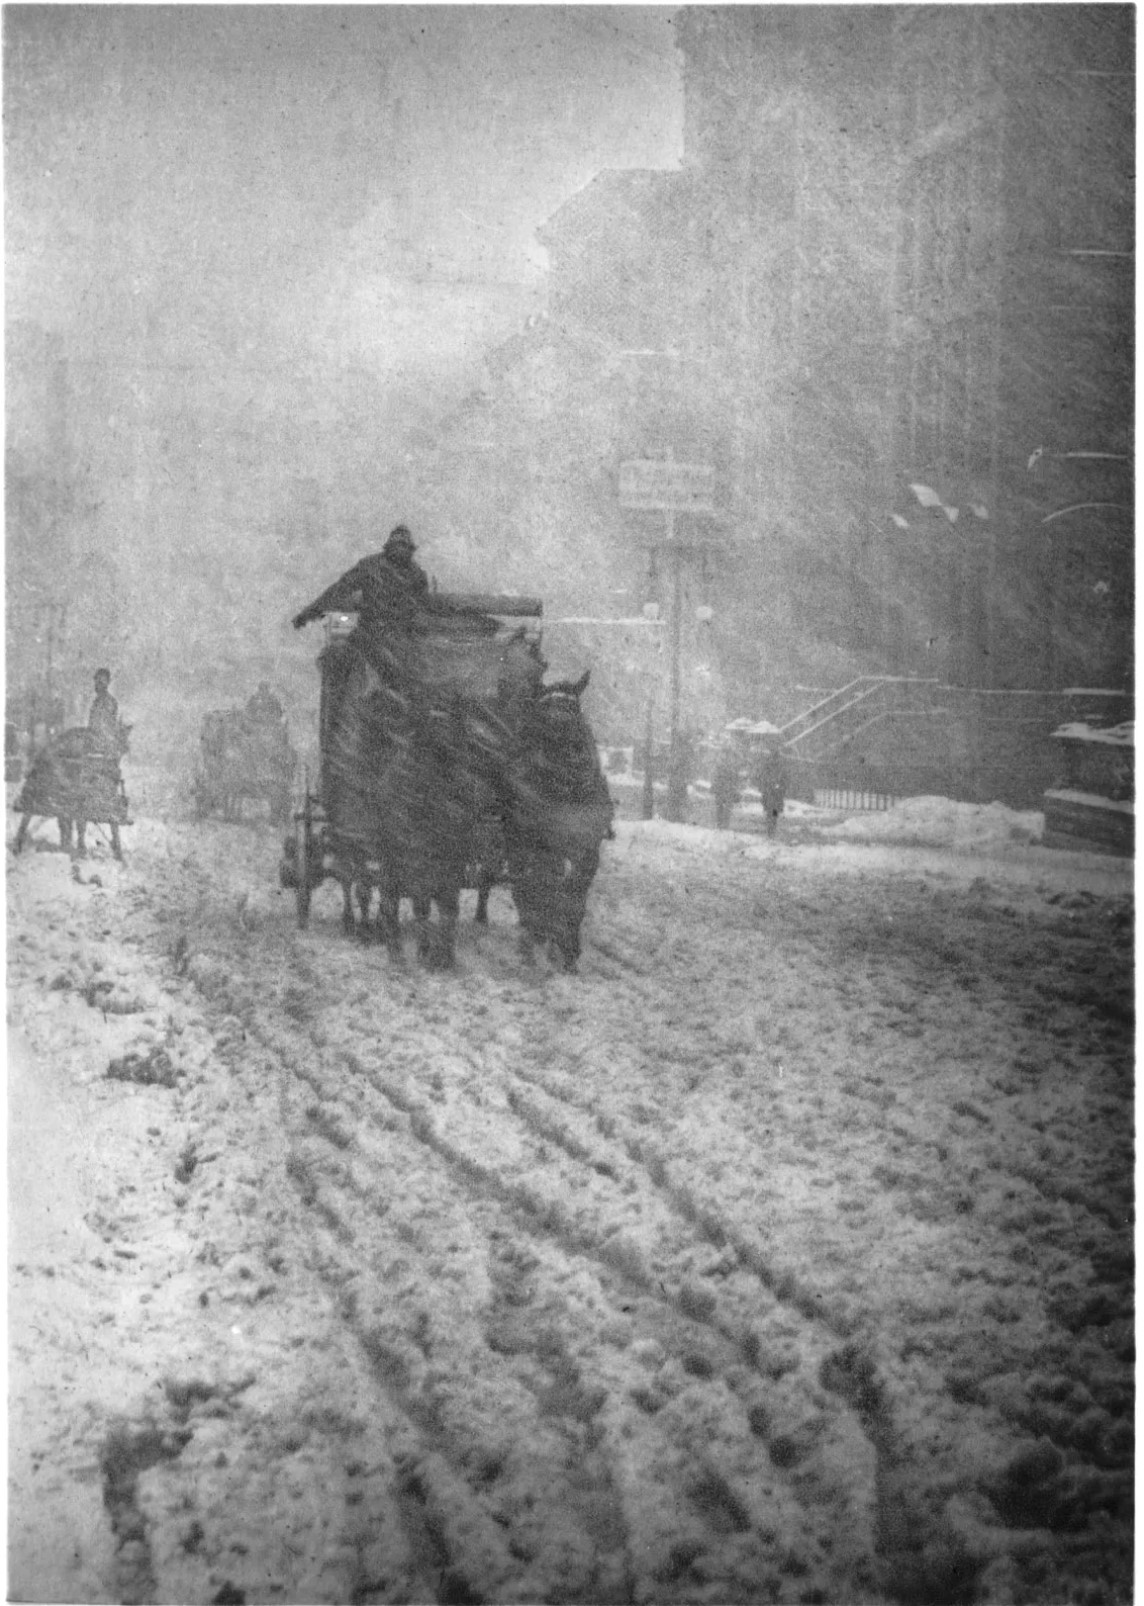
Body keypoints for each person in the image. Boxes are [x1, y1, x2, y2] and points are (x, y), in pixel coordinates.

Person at [292, 526, 430, 634]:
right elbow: (338, 591)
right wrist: (307, 615)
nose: (401, 550)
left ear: (411, 550)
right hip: (369, 629)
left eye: (405, 546)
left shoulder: (418, 575)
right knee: (338, 639)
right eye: (398, 545)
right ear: (389, 548)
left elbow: (421, 607)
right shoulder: (370, 566)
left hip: (401, 635)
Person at [754, 740, 789, 838]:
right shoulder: (781, 765)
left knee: (769, 811)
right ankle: (772, 829)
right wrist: (782, 787)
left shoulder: (767, 763)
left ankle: (770, 829)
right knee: (774, 812)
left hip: (769, 792)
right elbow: (785, 778)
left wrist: (763, 787)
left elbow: (761, 776)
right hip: (776, 793)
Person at [712, 734, 741, 830]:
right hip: (727, 786)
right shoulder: (732, 758)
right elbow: (734, 773)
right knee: (725, 807)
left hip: (723, 786)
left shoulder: (721, 757)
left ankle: (721, 825)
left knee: (721, 807)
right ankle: (723, 826)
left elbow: (716, 771)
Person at [87, 668, 120, 751]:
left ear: (107, 683)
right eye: (96, 681)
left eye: (101, 682)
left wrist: (92, 738)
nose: (97, 684)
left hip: (102, 746)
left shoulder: (109, 701)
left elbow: (106, 727)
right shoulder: (97, 701)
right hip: (95, 743)